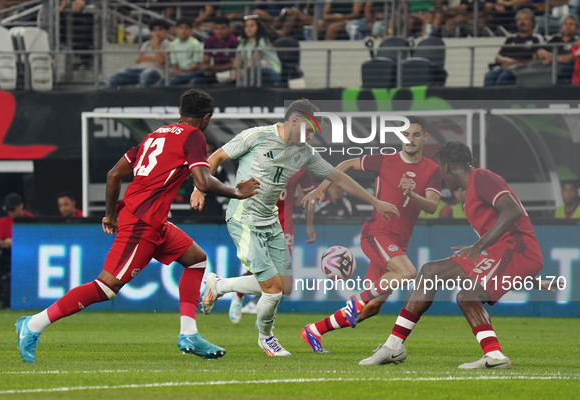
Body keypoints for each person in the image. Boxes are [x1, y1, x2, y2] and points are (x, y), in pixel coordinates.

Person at [14, 89, 260, 363]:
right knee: (105, 288)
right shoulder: (195, 136)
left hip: (151, 220)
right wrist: (236, 192)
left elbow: (114, 174)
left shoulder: (154, 135)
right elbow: (202, 182)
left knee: (196, 261)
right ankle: (33, 324)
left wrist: (110, 214)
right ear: (206, 118)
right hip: (142, 222)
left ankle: (188, 334)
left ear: (180, 112)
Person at [193, 98, 400, 356]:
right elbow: (216, 157)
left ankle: (220, 286)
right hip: (244, 220)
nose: (312, 137)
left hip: (271, 221)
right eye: (310, 130)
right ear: (294, 121)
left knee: (285, 287)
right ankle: (266, 338)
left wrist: (375, 201)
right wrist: (198, 189)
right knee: (273, 289)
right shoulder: (256, 136)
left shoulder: (305, 153)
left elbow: (338, 177)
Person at [359, 141, 543, 368]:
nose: (441, 176)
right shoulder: (471, 191)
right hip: (502, 251)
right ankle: (394, 346)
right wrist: (486, 250)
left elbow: (512, 210)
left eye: (440, 169)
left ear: (447, 166)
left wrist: (478, 246)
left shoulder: (482, 177)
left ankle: (495, 356)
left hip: (516, 248)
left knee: (467, 296)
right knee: (430, 271)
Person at [300, 116, 444, 353]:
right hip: (377, 233)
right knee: (407, 272)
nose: (410, 140)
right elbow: (346, 164)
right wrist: (321, 188)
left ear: (424, 138)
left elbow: (432, 206)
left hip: (398, 242)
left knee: (370, 308)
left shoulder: (432, 170)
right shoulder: (385, 160)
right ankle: (358, 298)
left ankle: (314, 330)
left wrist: (412, 194)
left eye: (415, 135)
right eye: (405, 135)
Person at [228, 169, 317, 324]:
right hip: (261, 220)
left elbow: (310, 197)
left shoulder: (301, 166)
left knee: (282, 278)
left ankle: (265, 315)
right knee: (257, 267)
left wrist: (310, 226)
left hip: (284, 224)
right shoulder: (264, 158)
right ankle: (237, 294)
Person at [0, 193, 32, 309]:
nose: (10, 212)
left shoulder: (30, 220)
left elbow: (33, 243)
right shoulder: (3, 222)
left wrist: (14, 243)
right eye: (7, 209)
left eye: (12, 209)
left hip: (25, 258)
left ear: (21, 206)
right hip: (5, 258)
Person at [484, 9, 542, 86]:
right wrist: (508, 61)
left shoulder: (536, 38)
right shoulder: (511, 38)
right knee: (489, 75)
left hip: (521, 68)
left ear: (532, 23)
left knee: (504, 77)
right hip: (505, 66)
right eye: (519, 19)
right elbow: (498, 57)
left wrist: (517, 63)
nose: (522, 22)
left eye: (525, 19)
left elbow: (536, 60)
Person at [106, 19, 170, 88]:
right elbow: (138, 59)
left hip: (155, 71)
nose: (157, 33)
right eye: (154, 30)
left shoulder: (169, 45)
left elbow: (161, 61)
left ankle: (142, 98)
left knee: (145, 76)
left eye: (160, 30)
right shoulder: (146, 44)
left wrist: (156, 45)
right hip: (139, 69)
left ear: (166, 32)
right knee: (113, 77)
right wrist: (155, 59)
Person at [232, 15, 282, 85]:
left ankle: (248, 92)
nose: (249, 28)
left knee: (253, 67)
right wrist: (235, 70)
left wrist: (243, 71)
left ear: (258, 27)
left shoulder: (263, 40)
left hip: (272, 72)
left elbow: (255, 57)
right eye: (246, 26)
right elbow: (237, 58)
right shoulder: (243, 42)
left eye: (252, 26)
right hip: (250, 71)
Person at [194, 17, 238, 85]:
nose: (219, 32)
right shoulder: (209, 41)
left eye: (223, 28)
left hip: (230, 72)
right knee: (198, 78)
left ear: (229, 28)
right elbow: (206, 61)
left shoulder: (233, 41)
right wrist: (206, 68)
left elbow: (234, 64)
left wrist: (214, 68)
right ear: (213, 29)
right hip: (214, 72)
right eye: (217, 29)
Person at [535, 15, 578, 84]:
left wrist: (552, 58)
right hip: (549, 66)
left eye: (571, 24)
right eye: (565, 24)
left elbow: (573, 56)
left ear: (576, 27)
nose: (568, 27)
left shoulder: (577, 41)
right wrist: (548, 55)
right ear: (561, 26)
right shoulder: (555, 39)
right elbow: (540, 51)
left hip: (565, 68)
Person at [163, 18, 202, 86]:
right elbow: (175, 64)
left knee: (172, 81)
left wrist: (180, 71)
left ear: (191, 30)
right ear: (176, 29)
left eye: (186, 28)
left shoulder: (195, 43)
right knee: (163, 81)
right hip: (179, 72)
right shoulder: (173, 44)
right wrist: (175, 70)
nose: (183, 30)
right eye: (181, 28)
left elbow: (197, 65)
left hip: (192, 72)